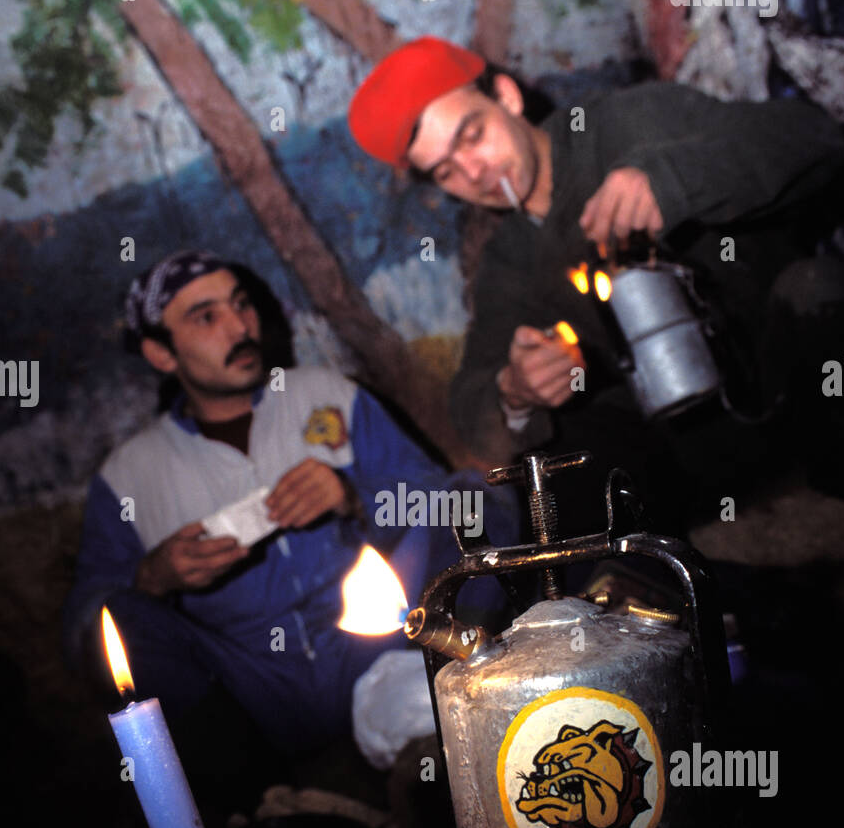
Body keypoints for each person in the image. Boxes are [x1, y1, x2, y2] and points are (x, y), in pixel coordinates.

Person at [348, 37, 844, 525]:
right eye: (445, 172)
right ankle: (657, 589)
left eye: (472, 135)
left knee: (816, 287)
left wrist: (672, 180)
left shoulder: (623, 126)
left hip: (786, 388)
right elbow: (471, 399)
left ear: (506, 96)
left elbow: (814, 139)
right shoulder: (509, 264)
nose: (473, 172)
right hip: (687, 460)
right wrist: (515, 390)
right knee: (562, 448)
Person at [63, 250, 516, 766]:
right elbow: (83, 619)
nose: (239, 326)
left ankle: (465, 672)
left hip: (374, 644)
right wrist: (153, 577)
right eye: (206, 316)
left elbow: (431, 498)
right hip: (244, 680)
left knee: (469, 500)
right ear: (161, 353)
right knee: (120, 620)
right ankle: (243, 791)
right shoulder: (129, 473)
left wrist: (355, 497)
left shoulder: (324, 396)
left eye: (241, 305)